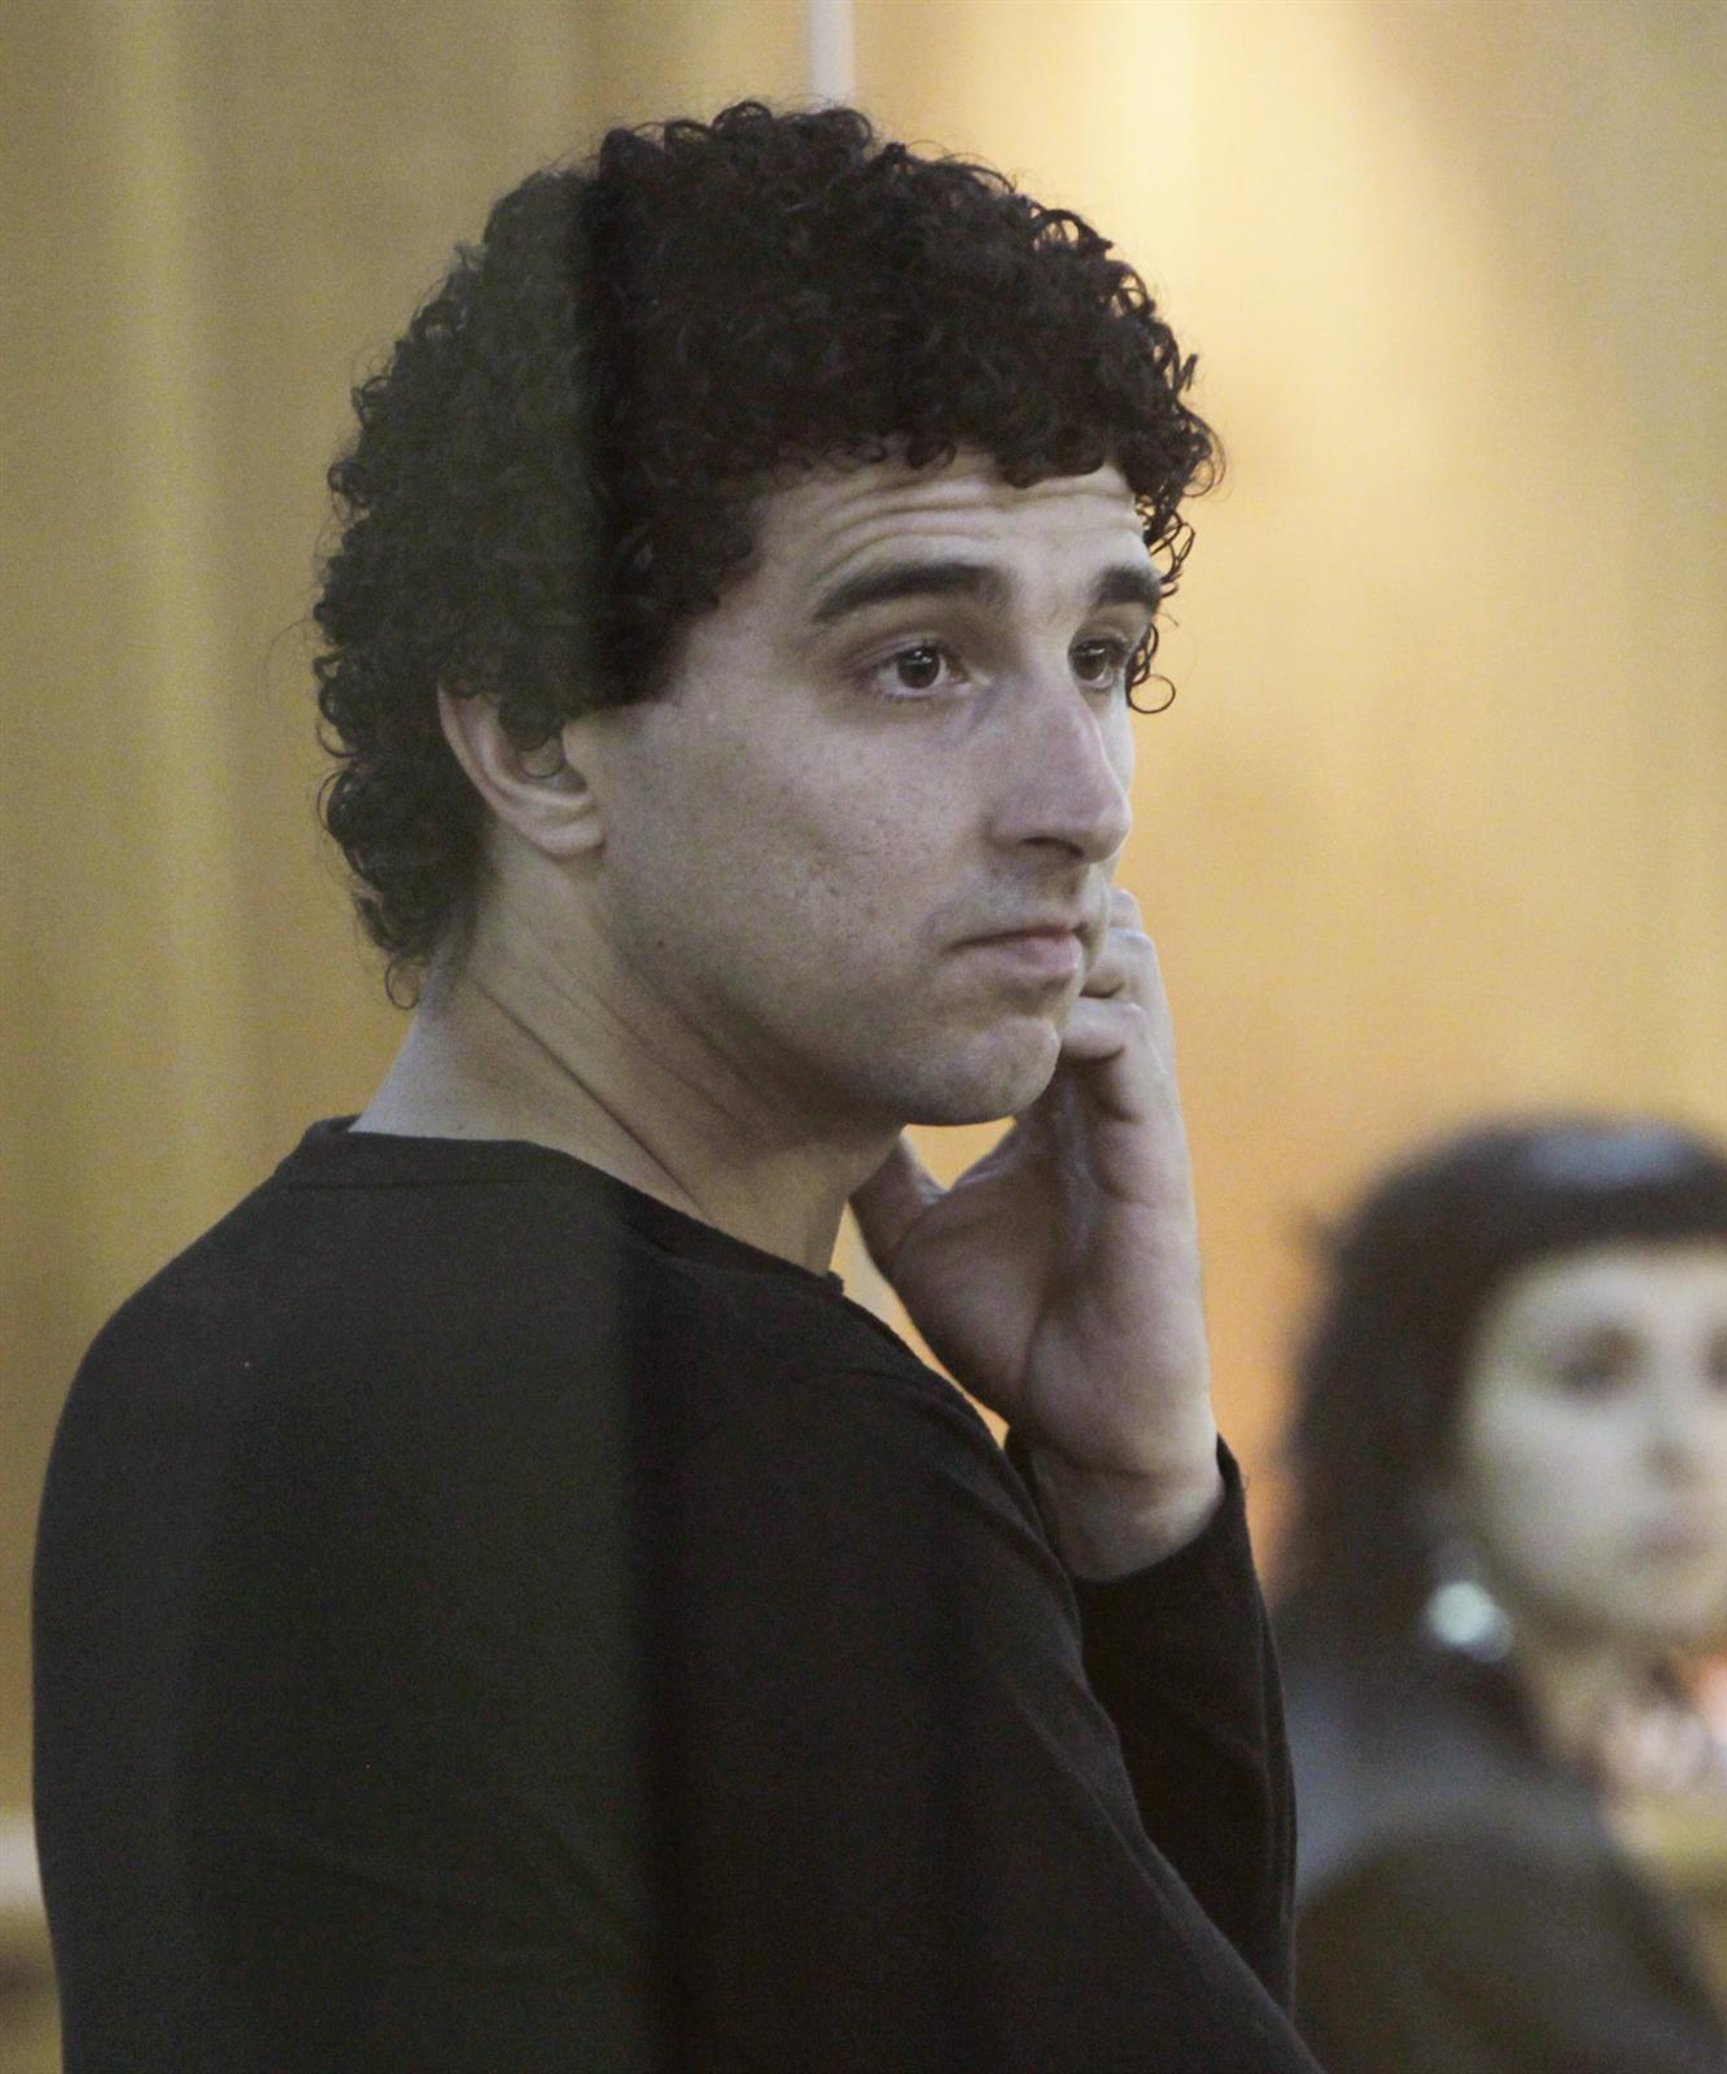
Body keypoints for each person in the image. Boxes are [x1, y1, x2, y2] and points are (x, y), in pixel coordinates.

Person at [33, 104, 1318, 2071]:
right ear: (541, 739)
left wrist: (1130, 1499)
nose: (1084, 799)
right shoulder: (740, 1431)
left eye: (1100, 653)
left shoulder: (187, 1349)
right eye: (919, 661)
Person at [1271, 1115, 1727, 2074]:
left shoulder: (1388, 1738)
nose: (1685, 1444)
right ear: (1425, 1437)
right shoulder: (1427, 1865)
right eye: (1591, 1376)